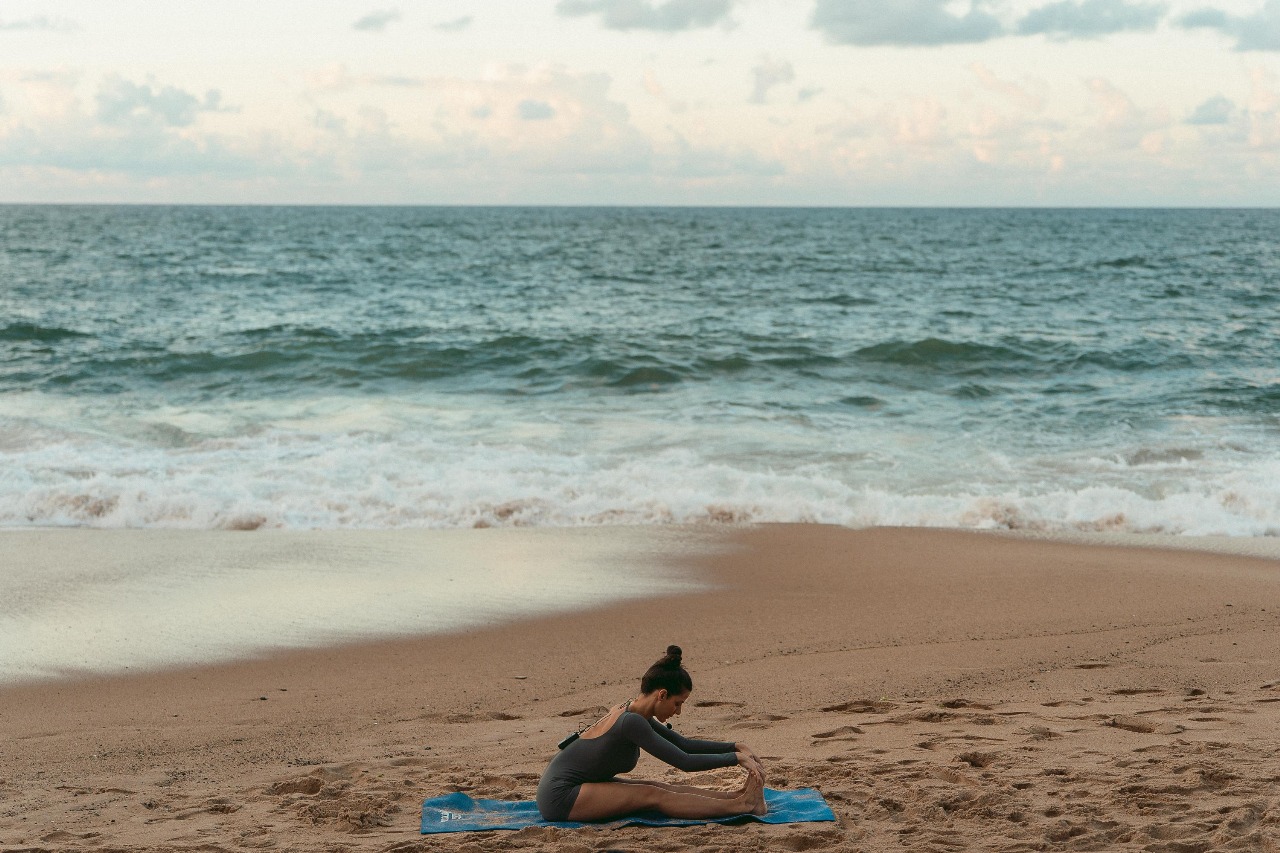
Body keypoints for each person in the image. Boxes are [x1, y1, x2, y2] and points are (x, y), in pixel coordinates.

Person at [535, 645, 767, 822]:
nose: (678, 712)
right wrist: (735, 760)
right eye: (677, 703)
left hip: (577, 786)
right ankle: (743, 806)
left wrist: (735, 746)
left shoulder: (632, 711)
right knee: (652, 795)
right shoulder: (631, 722)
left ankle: (737, 797)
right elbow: (683, 761)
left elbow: (682, 743)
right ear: (662, 694)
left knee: (662, 787)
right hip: (560, 797)